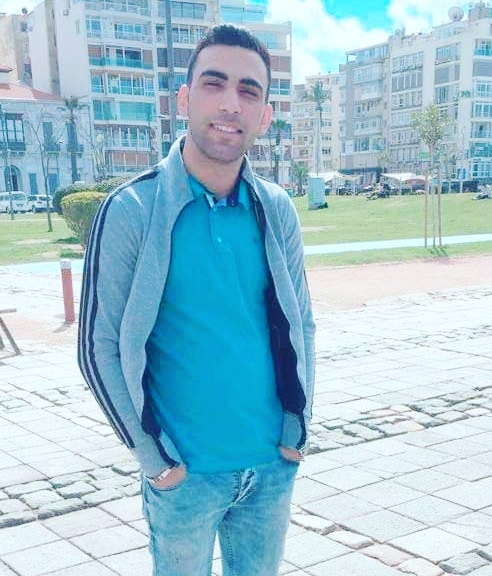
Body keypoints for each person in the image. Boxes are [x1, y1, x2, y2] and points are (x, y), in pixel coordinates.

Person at [78, 24, 315, 576]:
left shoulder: (276, 209)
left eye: (249, 90)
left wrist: (296, 431)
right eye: (214, 83)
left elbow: (301, 322)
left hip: (270, 467)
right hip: (185, 476)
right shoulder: (132, 210)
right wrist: (154, 460)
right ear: (184, 99)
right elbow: (98, 347)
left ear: (265, 115)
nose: (231, 103)